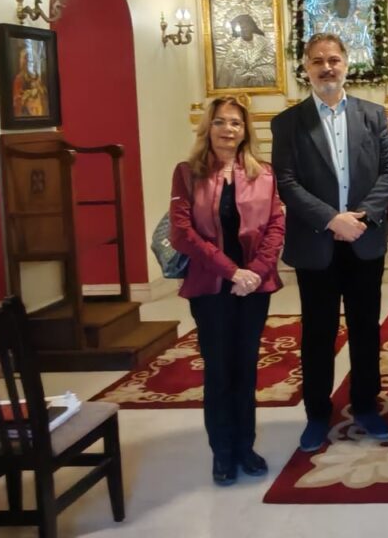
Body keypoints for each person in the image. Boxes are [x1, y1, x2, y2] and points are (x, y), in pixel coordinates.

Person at [270, 32, 388, 452]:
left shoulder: (373, 115)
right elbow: (286, 182)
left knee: (365, 329)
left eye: (333, 60)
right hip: (317, 243)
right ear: (305, 68)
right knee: (318, 333)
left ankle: (365, 406)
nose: (327, 68)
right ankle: (316, 414)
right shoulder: (288, 123)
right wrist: (331, 219)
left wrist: (361, 217)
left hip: (363, 238)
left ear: (346, 63)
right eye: (317, 61)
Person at [169, 96, 285, 486]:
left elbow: (275, 226)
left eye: (235, 123)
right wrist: (231, 271)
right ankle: (222, 451)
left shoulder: (264, 173)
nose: (228, 129)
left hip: (253, 286)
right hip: (211, 286)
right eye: (220, 122)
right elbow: (182, 233)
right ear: (208, 127)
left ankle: (245, 447)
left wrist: (255, 272)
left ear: (245, 130)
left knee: (246, 367)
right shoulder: (187, 173)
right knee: (219, 369)